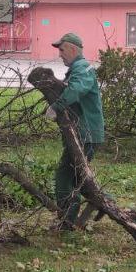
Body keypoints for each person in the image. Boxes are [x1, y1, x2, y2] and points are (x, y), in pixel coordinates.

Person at [45, 32, 105, 230]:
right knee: (79, 177)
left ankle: (67, 220)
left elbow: (77, 89)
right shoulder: (79, 68)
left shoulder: (82, 69)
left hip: (85, 133)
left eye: (62, 50)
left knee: (65, 176)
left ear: (72, 48)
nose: (60, 54)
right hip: (84, 131)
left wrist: (57, 106)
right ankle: (104, 202)